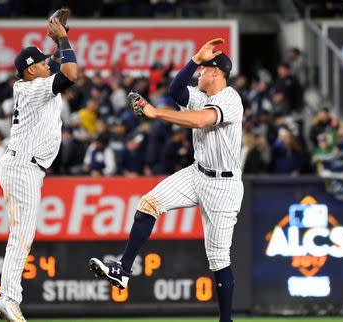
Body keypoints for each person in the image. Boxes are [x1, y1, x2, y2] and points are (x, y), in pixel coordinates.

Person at [89, 38, 244, 322]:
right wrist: (196, 59)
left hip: (224, 185)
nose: (199, 74)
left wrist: (155, 112)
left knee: (219, 258)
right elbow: (175, 90)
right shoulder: (201, 93)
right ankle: (123, 271)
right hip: (198, 173)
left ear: (216, 73)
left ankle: (226, 321)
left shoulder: (230, 99)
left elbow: (200, 121)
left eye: (204, 69)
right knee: (148, 203)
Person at [0, 16, 77, 322]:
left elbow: (57, 61)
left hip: (25, 166)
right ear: (30, 70)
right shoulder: (34, 88)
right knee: (21, 234)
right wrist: (63, 39)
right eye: (41, 63)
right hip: (22, 166)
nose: (47, 64)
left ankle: (9, 296)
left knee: (22, 233)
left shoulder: (34, 82)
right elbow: (69, 73)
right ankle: (9, 297)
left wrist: (61, 39)